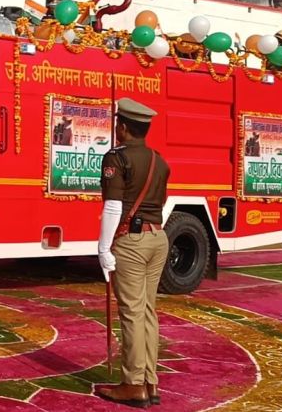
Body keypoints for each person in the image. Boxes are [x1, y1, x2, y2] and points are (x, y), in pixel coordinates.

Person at [95, 98, 171, 408]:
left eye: (118, 124)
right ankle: (150, 382)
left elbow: (113, 206)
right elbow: (161, 201)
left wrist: (103, 247)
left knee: (132, 313)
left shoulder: (117, 157)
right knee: (148, 311)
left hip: (132, 241)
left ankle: (133, 384)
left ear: (123, 128)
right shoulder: (159, 160)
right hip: (158, 238)